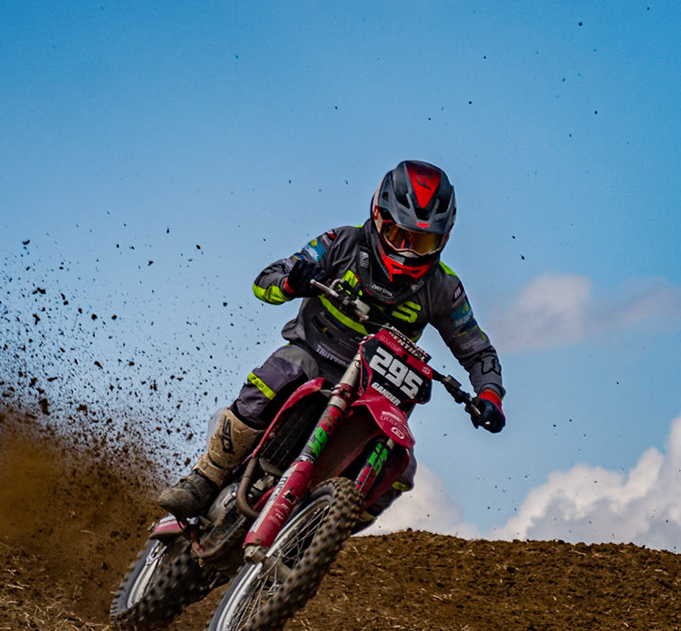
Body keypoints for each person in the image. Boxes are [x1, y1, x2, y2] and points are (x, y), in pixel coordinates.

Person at [156, 160, 505, 522]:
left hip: (374, 392)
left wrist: (490, 396)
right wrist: (292, 282)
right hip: (311, 359)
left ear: (443, 240)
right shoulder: (342, 243)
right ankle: (206, 476)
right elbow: (266, 280)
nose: (407, 251)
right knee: (283, 371)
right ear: (379, 217)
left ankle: (321, 532)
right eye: (398, 236)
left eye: (423, 242)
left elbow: (477, 350)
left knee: (401, 468)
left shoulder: (445, 289)